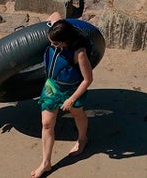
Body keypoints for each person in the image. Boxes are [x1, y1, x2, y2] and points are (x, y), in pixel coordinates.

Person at [32, 13, 93, 178]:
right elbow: (55, 14)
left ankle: (82, 139)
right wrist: (51, 22)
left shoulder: (79, 53)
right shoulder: (58, 30)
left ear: (66, 41)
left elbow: (87, 80)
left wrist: (71, 99)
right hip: (52, 86)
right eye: (50, 41)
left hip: (71, 90)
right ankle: (46, 163)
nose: (52, 45)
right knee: (46, 123)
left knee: (77, 114)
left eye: (55, 43)